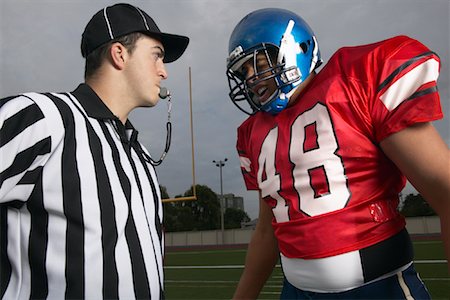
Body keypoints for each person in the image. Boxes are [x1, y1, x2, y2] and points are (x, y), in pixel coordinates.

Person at [225, 8, 449, 299]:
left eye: (257, 63)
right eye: (244, 71)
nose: (251, 79)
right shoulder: (253, 132)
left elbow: (445, 191)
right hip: (296, 292)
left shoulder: (354, 81)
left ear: (294, 49)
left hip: (378, 288)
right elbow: (268, 231)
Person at [0, 3, 188, 299]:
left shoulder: (141, 156)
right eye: (157, 56)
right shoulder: (44, 118)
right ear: (119, 53)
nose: (163, 72)